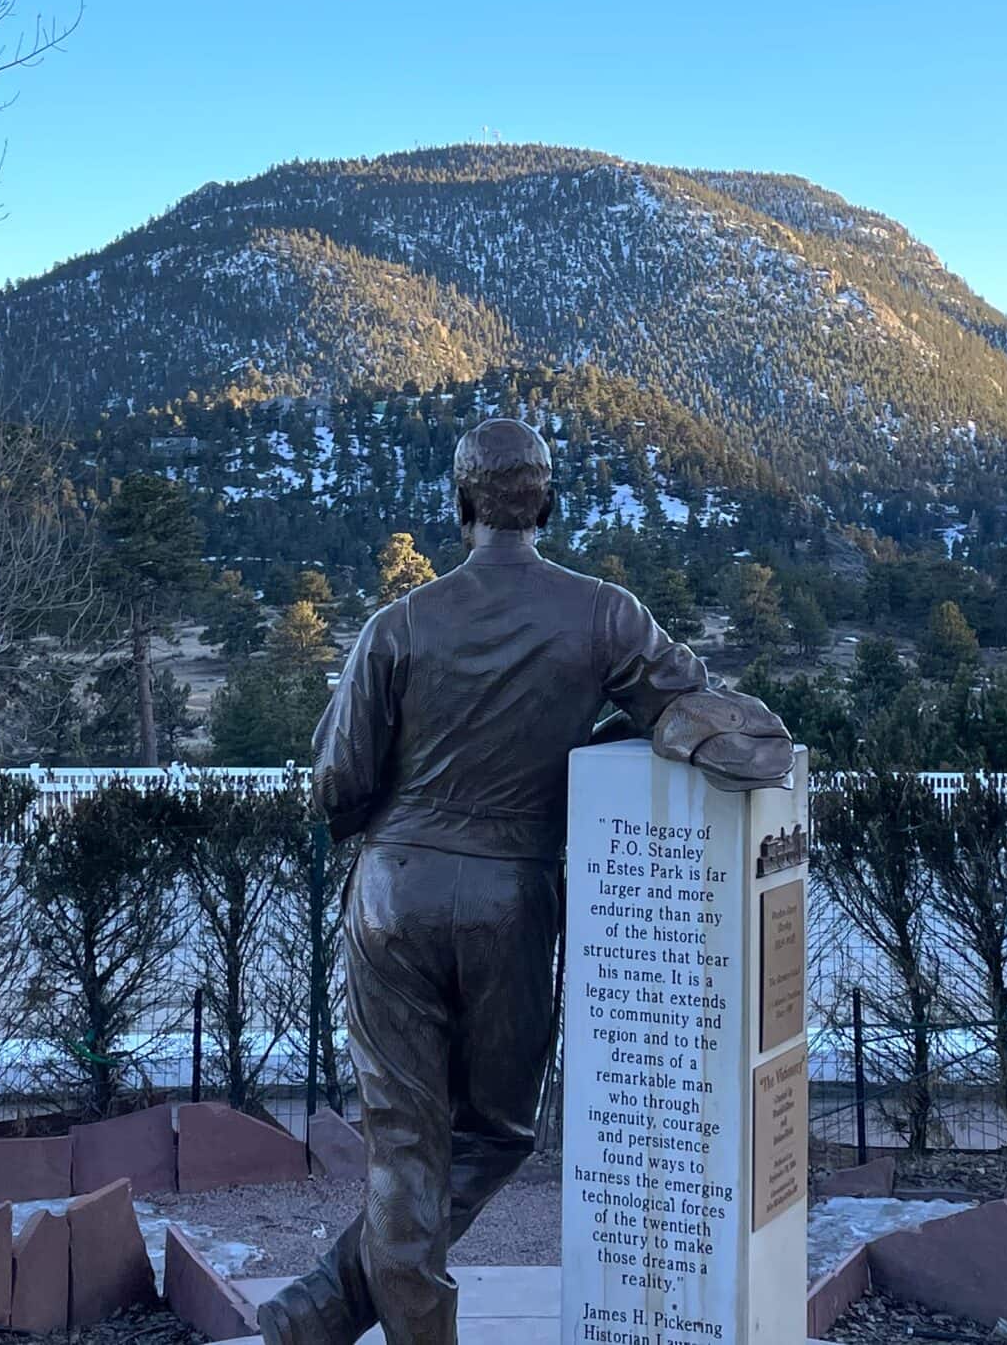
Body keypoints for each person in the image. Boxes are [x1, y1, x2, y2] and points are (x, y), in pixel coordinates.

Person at [257, 417, 789, 1345]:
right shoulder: (605, 614)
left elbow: (336, 789)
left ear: (461, 504)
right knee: (494, 1133)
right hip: (512, 901)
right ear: (544, 502)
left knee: (404, 1135)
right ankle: (351, 1310)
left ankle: (332, 1304)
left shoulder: (398, 625)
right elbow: (697, 710)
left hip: (394, 892)